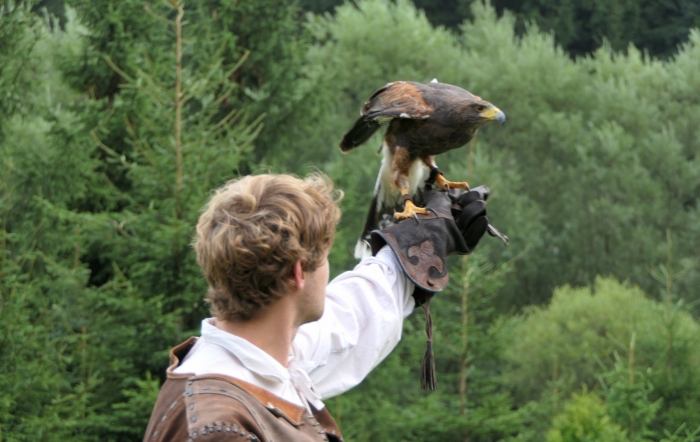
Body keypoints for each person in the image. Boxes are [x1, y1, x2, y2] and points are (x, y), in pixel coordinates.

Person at [143, 172, 490, 442]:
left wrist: (419, 247)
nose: (327, 269)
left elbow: (350, 319)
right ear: (298, 274)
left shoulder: (266, 359)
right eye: (324, 257)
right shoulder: (217, 427)